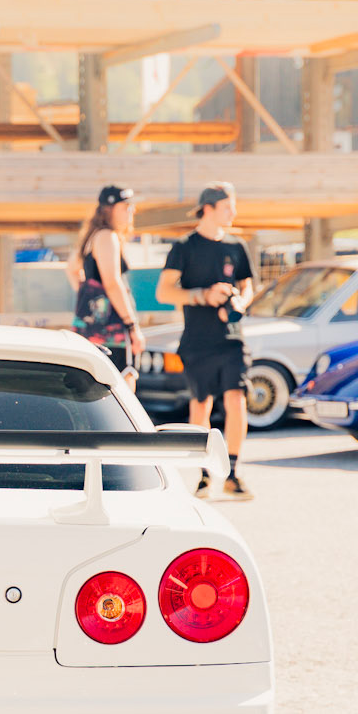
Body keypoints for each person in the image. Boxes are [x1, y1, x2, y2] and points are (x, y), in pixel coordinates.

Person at [157, 184, 254, 500]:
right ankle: (203, 476)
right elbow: (163, 292)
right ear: (208, 208)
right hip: (198, 341)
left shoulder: (237, 246)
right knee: (201, 405)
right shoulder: (184, 247)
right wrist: (203, 295)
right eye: (228, 206)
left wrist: (239, 302)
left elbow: (248, 286)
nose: (233, 212)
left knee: (236, 399)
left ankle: (233, 473)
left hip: (232, 339)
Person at [66, 185, 144, 383]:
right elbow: (112, 283)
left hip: (92, 331)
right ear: (109, 210)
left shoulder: (92, 236)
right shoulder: (107, 236)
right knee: (124, 387)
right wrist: (132, 326)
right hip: (112, 333)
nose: (131, 211)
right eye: (125, 206)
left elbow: (72, 269)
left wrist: (90, 301)